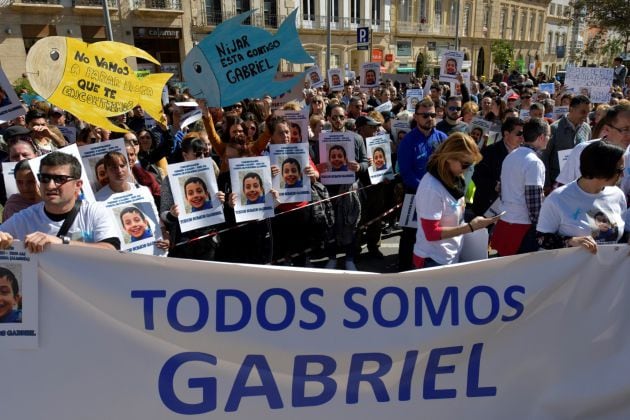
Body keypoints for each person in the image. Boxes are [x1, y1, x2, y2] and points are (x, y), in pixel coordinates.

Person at [0, 152, 120, 253]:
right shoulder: (24, 218)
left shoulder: (94, 211)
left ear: (78, 185)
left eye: (60, 179)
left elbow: (111, 249)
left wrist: (62, 243)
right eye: (44, 178)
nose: (50, 185)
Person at [413, 133, 500, 268]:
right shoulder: (431, 187)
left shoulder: (455, 179)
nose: (467, 169)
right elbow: (431, 233)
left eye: (471, 164)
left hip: (450, 255)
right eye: (465, 164)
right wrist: (470, 227)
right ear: (449, 158)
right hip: (433, 260)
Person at [537, 141, 627, 252]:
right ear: (601, 168)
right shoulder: (557, 198)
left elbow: (621, 233)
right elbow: (541, 239)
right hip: (571, 269)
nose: (623, 175)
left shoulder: (618, 195)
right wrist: (570, 241)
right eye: (620, 170)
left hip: (609, 268)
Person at [397, 97, 447, 270]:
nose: (429, 118)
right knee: (410, 232)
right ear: (416, 117)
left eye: (432, 114)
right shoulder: (408, 141)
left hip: (439, 195)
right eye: (424, 115)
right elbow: (406, 172)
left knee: (434, 231)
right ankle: (403, 268)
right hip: (414, 193)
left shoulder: (442, 138)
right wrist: (425, 190)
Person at [490, 118, 550, 256]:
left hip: (505, 222)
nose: (549, 139)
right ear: (541, 137)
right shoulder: (534, 162)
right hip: (522, 228)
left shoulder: (510, 156)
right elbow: (534, 202)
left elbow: (502, 190)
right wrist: (542, 227)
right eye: (548, 136)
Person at [471, 116, 524, 216]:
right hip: (487, 208)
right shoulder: (489, 151)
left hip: (512, 210)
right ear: (506, 134)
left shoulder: (524, 154)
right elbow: (477, 176)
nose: (522, 137)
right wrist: (495, 185)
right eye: (519, 133)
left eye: (523, 134)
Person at [542, 95, 592, 191]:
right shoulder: (554, 128)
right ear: (571, 109)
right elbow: (545, 157)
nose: (586, 116)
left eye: (588, 112)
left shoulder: (587, 128)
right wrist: (547, 184)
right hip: (557, 182)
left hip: (578, 184)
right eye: (583, 112)